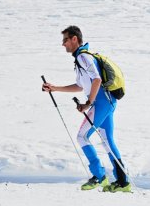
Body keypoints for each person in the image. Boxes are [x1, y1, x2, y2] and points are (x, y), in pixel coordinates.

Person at [42, 25, 130, 192]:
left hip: (101, 101)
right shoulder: (80, 59)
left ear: (74, 39)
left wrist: (88, 103)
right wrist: (55, 88)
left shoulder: (83, 57)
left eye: (65, 40)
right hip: (107, 101)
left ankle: (99, 176)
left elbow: (96, 80)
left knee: (82, 136)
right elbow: (81, 86)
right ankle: (123, 182)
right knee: (107, 141)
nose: (63, 44)